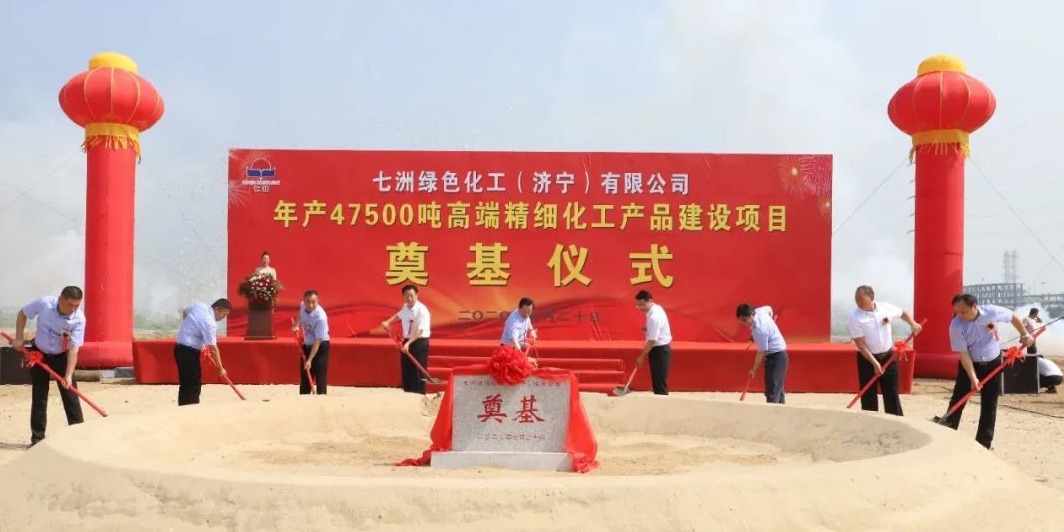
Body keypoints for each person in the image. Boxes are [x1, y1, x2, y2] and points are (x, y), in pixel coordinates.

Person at [942, 293, 1033, 450]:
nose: (960, 315)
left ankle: (983, 444)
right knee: (958, 399)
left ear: (974, 306)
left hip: (993, 362)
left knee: (989, 404)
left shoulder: (991, 312)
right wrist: (973, 378)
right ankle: (947, 435)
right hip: (970, 365)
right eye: (957, 311)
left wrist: (1025, 334)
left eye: (963, 311)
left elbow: (1012, 317)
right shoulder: (956, 326)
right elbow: (963, 354)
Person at [12, 286, 86, 447]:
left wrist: (68, 375)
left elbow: (74, 349)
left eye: (77, 305)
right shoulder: (44, 303)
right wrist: (19, 338)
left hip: (61, 357)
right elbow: (22, 313)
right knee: (39, 396)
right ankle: (37, 440)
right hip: (39, 355)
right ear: (60, 299)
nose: (73, 309)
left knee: (70, 395)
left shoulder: (79, 319)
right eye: (70, 304)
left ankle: (80, 438)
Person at [848, 285, 923, 416]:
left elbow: (903, 313)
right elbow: (860, 344)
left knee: (892, 393)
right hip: (867, 359)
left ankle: (896, 421)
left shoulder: (885, 307)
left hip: (888, 356)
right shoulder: (855, 318)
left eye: (862, 301)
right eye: (857, 301)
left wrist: (913, 323)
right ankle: (870, 423)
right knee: (868, 396)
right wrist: (874, 363)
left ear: (872, 298)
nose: (859, 305)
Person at [174, 299, 232, 406]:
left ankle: (183, 408)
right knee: (193, 384)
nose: (223, 317)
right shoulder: (210, 322)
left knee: (185, 382)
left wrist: (188, 329)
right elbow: (213, 349)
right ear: (216, 309)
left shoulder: (200, 306)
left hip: (179, 348)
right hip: (189, 351)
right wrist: (220, 369)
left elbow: (185, 312)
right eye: (223, 314)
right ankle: (191, 409)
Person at [381, 284, 431, 394]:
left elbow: (420, 331)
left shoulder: (422, 310)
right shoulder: (405, 307)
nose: (409, 298)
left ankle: (419, 393)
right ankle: (408, 391)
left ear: (417, 295)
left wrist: (408, 343)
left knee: (417, 369)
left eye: (411, 295)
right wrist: (388, 322)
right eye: (406, 295)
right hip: (407, 340)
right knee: (406, 367)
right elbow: (398, 316)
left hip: (419, 342)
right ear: (403, 296)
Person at [737, 303, 788, 404]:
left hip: (776, 356)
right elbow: (769, 308)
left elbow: (761, 352)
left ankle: (772, 413)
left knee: (772, 391)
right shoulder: (760, 312)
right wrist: (770, 325)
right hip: (777, 355)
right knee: (777, 388)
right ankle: (781, 411)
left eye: (745, 320)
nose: (743, 323)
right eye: (741, 321)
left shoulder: (760, 330)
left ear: (751, 315)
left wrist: (754, 370)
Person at [634, 290, 672, 395]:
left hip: (660, 351)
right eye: (638, 306)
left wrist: (641, 357)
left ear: (650, 301)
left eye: (642, 305)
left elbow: (651, 341)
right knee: (656, 381)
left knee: (659, 383)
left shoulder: (654, 317)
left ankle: (662, 402)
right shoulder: (656, 308)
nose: (640, 308)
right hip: (658, 349)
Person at [296, 290, 330, 395]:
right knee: (305, 374)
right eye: (307, 302)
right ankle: (304, 396)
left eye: (313, 302)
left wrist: (310, 360)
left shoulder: (321, 317)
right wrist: (296, 325)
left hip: (320, 346)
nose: (310, 305)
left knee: (320, 375)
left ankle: (321, 397)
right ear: (304, 301)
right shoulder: (303, 305)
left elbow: (318, 340)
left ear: (318, 301)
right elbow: (300, 313)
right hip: (307, 344)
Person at [501, 297, 538, 365]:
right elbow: (514, 341)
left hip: (520, 344)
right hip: (510, 349)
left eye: (529, 312)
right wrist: (523, 358)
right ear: (519, 308)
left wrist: (531, 330)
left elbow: (528, 321)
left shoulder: (524, 312)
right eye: (525, 312)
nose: (527, 314)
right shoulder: (514, 322)